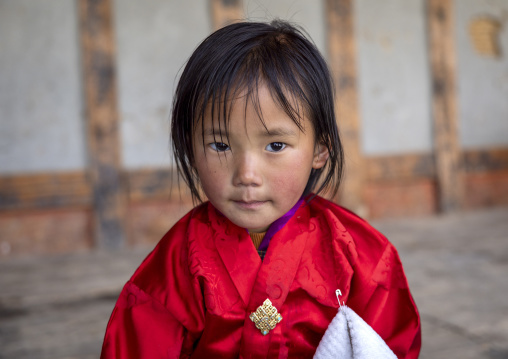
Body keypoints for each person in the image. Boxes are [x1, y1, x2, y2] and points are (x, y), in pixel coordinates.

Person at [100, 20, 421, 358]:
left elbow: (389, 346)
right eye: (221, 146)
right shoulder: (178, 263)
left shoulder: (361, 255)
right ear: (190, 148)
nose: (247, 175)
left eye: (276, 145)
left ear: (320, 149)